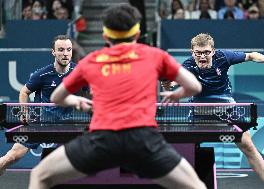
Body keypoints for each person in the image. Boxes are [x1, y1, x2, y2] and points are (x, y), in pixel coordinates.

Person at [28, 3, 207, 189]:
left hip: (102, 141)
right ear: (137, 35)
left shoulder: (92, 60)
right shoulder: (155, 55)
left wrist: (77, 100)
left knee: (40, 175)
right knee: (197, 187)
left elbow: (57, 97)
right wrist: (177, 94)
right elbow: (194, 86)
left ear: (105, 36)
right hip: (144, 142)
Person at [162, 33, 264, 189]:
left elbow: (251, 55)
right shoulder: (187, 66)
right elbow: (170, 83)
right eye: (198, 52)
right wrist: (166, 83)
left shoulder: (223, 57)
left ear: (213, 51)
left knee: (248, 146)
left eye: (206, 52)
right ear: (192, 52)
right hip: (199, 111)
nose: (202, 56)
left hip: (227, 109)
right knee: (187, 149)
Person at [0, 35, 77, 175]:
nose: (65, 53)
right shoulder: (42, 74)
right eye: (61, 50)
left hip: (67, 124)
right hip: (40, 123)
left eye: (68, 49)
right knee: (11, 158)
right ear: (53, 52)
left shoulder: (78, 72)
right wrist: (25, 113)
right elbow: (24, 91)